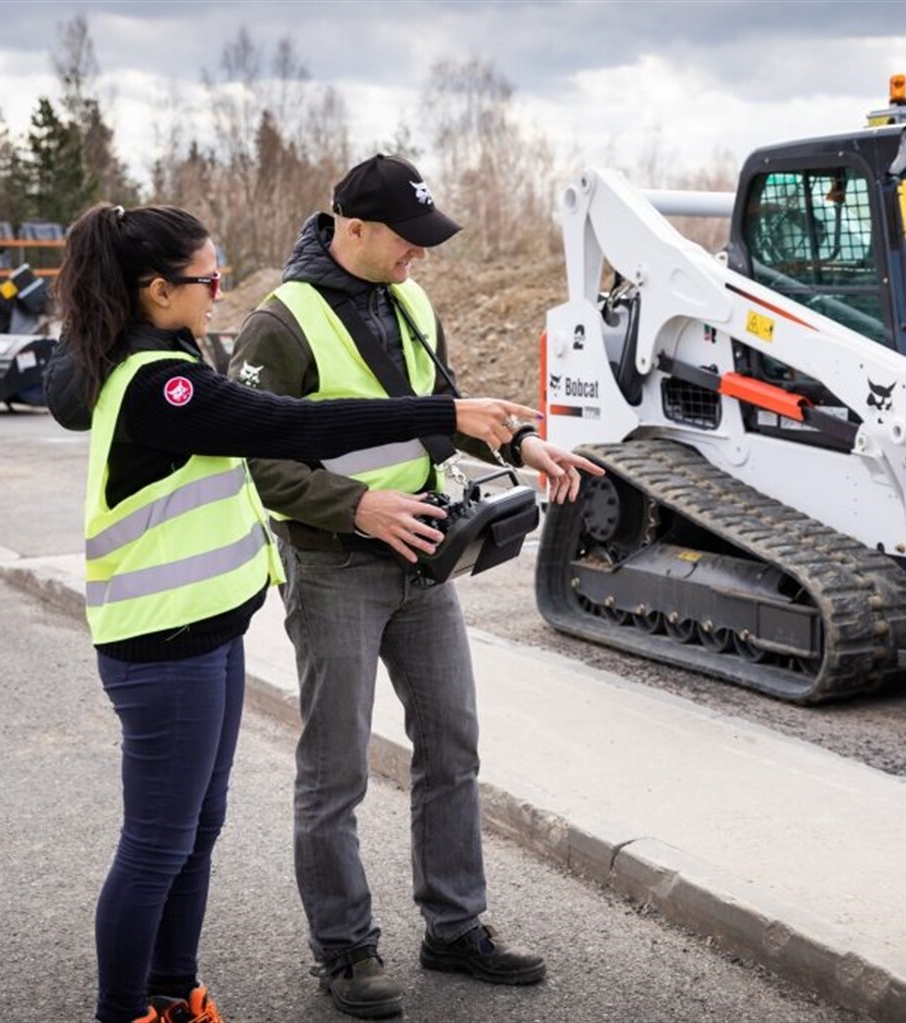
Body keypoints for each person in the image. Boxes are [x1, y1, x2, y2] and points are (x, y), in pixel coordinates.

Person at [46, 201, 539, 1023]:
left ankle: (174, 992)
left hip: (205, 633)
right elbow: (290, 423)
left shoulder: (167, 349)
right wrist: (442, 413)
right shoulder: (159, 382)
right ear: (157, 291)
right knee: (157, 846)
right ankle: (123, 1010)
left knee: (197, 832)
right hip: (161, 643)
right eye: (208, 278)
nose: (222, 291)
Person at [228, 154, 599, 1020]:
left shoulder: (412, 301)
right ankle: (345, 949)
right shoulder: (279, 324)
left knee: (452, 746)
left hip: (423, 560)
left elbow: (442, 412)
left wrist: (519, 447)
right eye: (408, 239)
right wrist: (358, 508)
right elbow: (256, 458)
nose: (420, 257)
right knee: (335, 770)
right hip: (334, 568)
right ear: (352, 227)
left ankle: (455, 926)